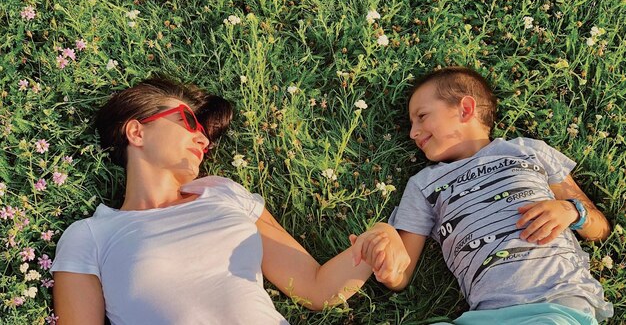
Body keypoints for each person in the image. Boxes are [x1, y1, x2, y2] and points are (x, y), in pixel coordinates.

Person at [50, 76, 409, 325]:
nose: (203, 141)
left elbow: (316, 288)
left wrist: (379, 238)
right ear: (136, 131)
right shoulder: (90, 236)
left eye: (205, 136)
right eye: (189, 122)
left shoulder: (223, 194)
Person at [363, 66, 613, 324]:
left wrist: (571, 211)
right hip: (485, 315)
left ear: (465, 109)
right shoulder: (424, 184)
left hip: (557, 304)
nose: (413, 132)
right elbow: (403, 270)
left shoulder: (528, 151)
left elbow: (600, 228)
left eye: (422, 116)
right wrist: (389, 270)